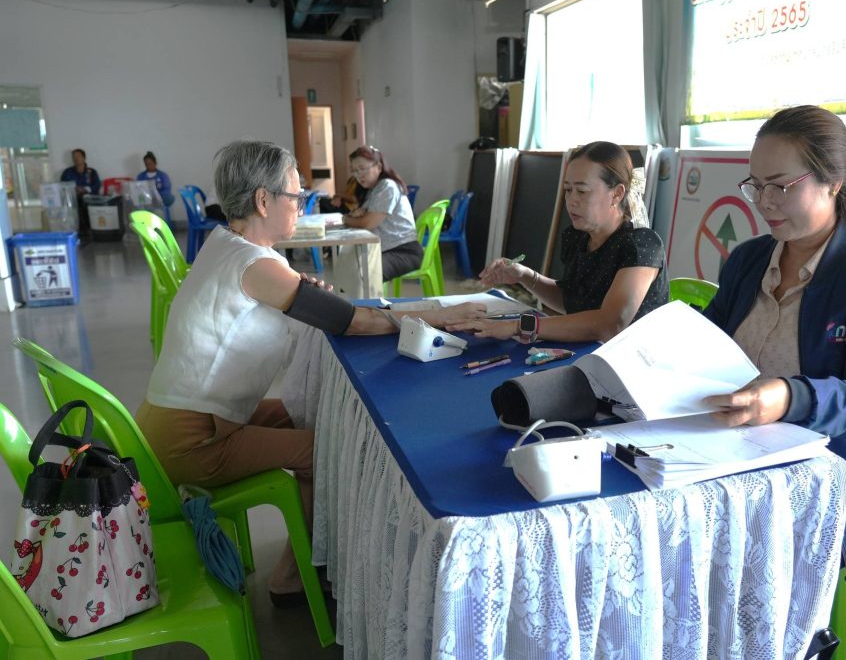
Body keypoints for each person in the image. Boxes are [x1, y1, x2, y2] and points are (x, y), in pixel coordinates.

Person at [134, 139, 486, 606]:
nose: (301, 205)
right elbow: (354, 321)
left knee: (308, 412)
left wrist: (305, 294)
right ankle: (292, 577)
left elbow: (285, 302)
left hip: (176, 421)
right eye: (296, 196)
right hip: (192, 440)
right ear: (263, 200)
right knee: (327, 451)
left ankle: (317, 550)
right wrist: (445, 314)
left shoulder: (226, 244)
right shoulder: (254, 263)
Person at [702, 105, 846, 585]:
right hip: (740, 453)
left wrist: (791, 397)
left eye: (781, 186)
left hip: (842, 476)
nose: (764, 202)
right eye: (755, 185)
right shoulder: (748, 260)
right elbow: (708, 340)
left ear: (834, 183)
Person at [449, 141, 668, 344]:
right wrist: (524, 276)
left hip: (635, 360)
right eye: (568, 190)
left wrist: (518, 326)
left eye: (582, 191)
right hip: (590, 354)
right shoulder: (578, 238)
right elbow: (570, 301)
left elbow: (610, 324)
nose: (571, 200)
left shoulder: (642, 245)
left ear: (617, 194)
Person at [341, 146, 422, 281]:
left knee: (364, 272)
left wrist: (345, 219)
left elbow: (367, 223)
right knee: (347, 262)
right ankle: (350, 296)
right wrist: (355, 215)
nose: (358, 175)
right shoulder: (372, 190)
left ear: (378, 167)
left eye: (362, 168)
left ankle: (367, 296)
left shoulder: (387, 186)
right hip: (384, 248)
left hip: (403, 250)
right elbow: (363, 217)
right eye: (354, 171)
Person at [60, 148, 101, 240]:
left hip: (89, 198)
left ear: (84, 158)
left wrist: (85, 189)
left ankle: (88, 231)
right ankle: (78, 232)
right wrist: (73, 189)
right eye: (74, 157)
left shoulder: (92, 172)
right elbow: (62, 185)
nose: (76, 158)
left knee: (85, 203)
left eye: (78, 156)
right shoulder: (67, 172)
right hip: (72, 198)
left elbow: (97, 185)